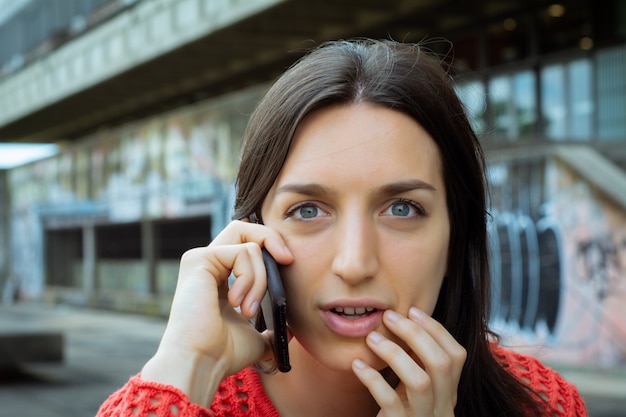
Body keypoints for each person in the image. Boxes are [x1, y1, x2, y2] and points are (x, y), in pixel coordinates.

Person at [97, 39, 587, 417]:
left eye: (402, 209)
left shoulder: (543, 405)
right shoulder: (188, 400)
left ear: (456, 235)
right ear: (251, 233)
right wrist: (186, 368)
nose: (354, 263)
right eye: (308, 210)